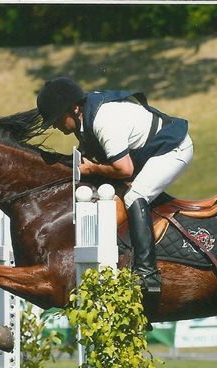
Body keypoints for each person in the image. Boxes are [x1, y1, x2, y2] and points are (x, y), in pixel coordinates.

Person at [36, 76, 193, 296]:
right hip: (145, 152)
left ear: (73, 109)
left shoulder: (103, 121)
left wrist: (93, 170)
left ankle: (147, 274)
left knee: (134, 196)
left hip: (172, 150)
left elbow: (124, 169)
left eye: (57, 118)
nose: (54, 125)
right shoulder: (85, 118)